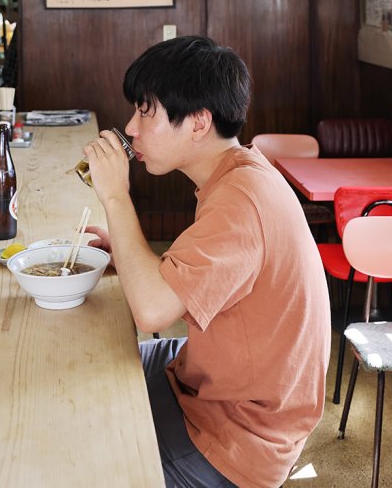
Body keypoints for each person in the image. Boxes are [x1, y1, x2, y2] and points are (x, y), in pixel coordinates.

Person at [82, 36, 331, 488]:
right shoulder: (238, 173)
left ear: (198, 122)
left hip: (239, 433)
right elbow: (199, 276)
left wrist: (115, 195)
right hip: (209, 372)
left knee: (91, 444)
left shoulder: (240, 199)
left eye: (145, 111)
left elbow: (152, 311)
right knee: (88, 372)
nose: (130, 128)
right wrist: (127, 255)